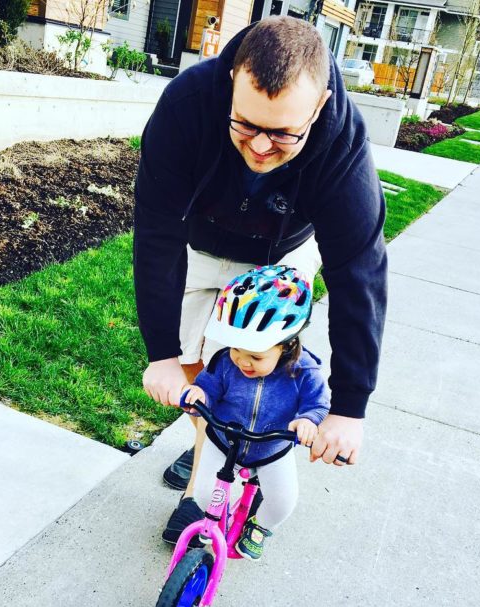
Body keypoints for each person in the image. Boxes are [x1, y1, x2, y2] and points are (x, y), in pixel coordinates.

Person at [133, 17, 387, 539]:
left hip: (280, 254)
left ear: (317, 109)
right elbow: (156, 232)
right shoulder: (187, 103)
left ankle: (201, 493)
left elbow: (358, 271)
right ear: (231, 84)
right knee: (189, 368)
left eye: (284, 133)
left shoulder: (343, 145)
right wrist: (159, 353)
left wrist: (348, 408)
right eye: (246, 124)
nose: (262, 146)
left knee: (253, 362)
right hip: (198, 245)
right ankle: (210, 439)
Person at [181, 265, 329, 560]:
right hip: (224, 440)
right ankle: (219, 517)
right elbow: (209, 385)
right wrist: (200, 394)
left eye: (256, 356)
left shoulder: (303, 372)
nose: (241, 361)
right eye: (236, 349)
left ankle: (259, 526)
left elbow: (317, 404)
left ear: (287, 346)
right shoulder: (225, 361)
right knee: (203, 494)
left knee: (283, 502)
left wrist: (308, 421)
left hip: (272, 448)